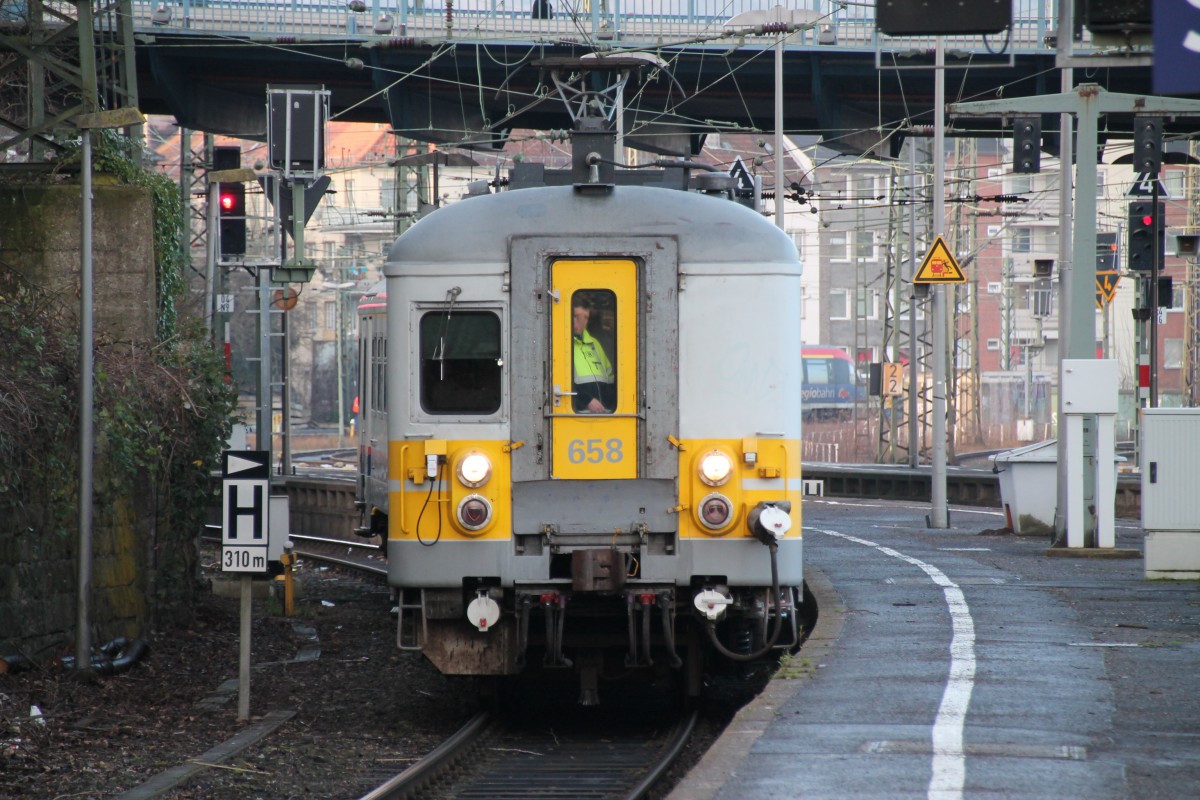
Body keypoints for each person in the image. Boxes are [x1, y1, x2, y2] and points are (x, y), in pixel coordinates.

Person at [571, 297, 614, 413]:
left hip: (602, 415)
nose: (582, 322)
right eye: (577, 316)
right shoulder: (560, 344)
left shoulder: (594, 344)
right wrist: (586, 400)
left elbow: (609, 379)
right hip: (576, 416)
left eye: (586, 317)